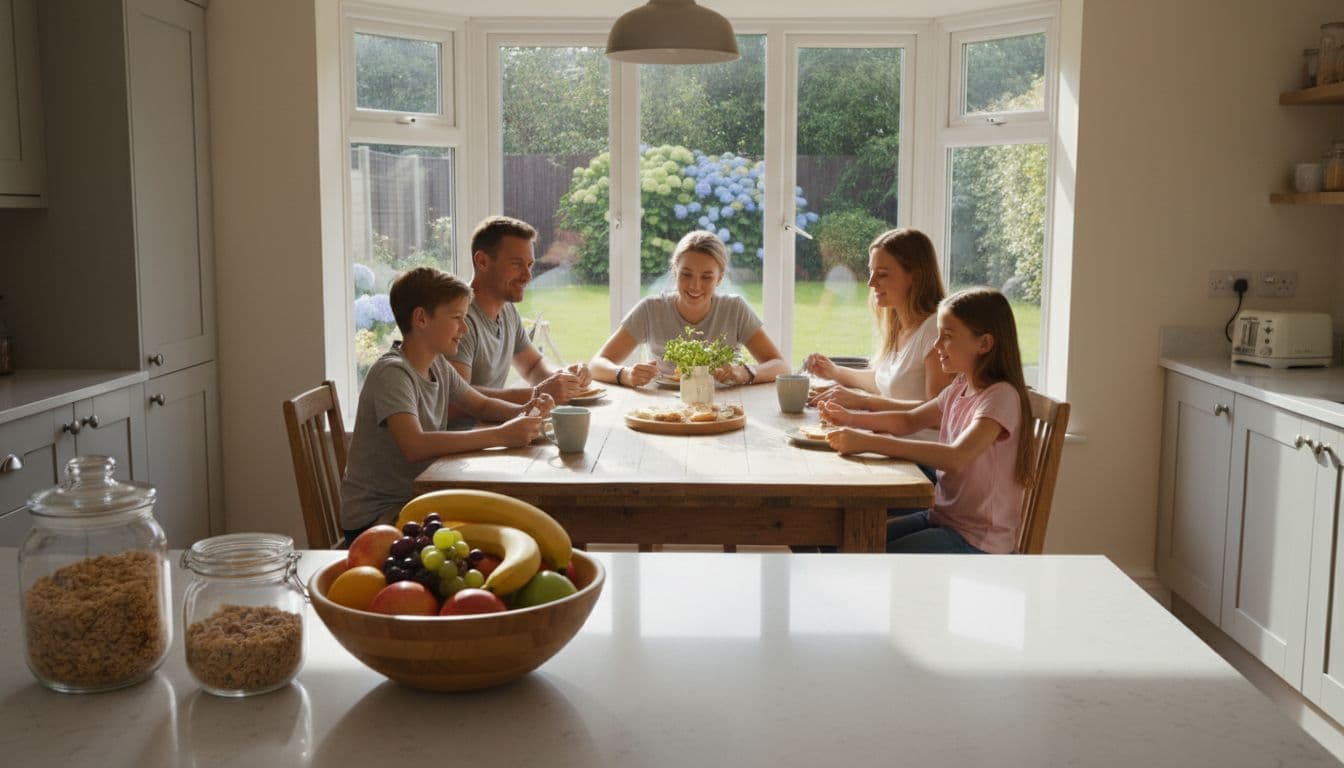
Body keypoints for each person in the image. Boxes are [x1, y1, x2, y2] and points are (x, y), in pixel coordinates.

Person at [340, 267, 554, 546]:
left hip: (417, 502)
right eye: (457, 319)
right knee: (496, 532)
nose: (464, 329)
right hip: (377, 521)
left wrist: (527, 412)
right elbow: (414, 445)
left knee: (508, 521)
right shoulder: (393, 373)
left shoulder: (437, 364)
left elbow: (481, 406)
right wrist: (502, 435)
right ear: (421, 319)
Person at [819, 288, 1034, 554]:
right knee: (844, 541)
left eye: (947, 337)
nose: (936, 346)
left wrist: (869, 442)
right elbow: (910, 420)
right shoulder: (960, 387)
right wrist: (851, 418)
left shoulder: (1001, 397)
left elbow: (956, 457)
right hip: (943, 519)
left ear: (984, 344)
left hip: (977, 541)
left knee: (861, 553)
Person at [589, 230, 788, 387]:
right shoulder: (651, 310)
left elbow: (780, 366)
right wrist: (626, 374)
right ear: (675, 271)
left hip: (723, 406)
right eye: (686, 274)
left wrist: (745, 372)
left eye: (706, 277)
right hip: (665, 407)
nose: (695, 286)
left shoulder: (735, 309)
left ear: (719, 278)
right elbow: (597, 364)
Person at [447, 216, 591, 408]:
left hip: (492, 427)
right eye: (516, 264)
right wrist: (537, 393)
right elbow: (457, 399)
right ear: (482, 261)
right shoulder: (459, 319)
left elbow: (533, 366)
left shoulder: (507, 310)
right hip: (461, 435)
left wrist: (563, 378)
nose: (527, 275)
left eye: (529, 264)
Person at [806, 228, 953, 412]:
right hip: (887, 437)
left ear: (915, 276)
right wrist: (836, 373)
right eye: (871, 272)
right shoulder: (900, 328)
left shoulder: (934, 331)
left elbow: (939, 412)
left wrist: (863, 401)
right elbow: (885, 381)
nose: (871, 283)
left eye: (882, 274)